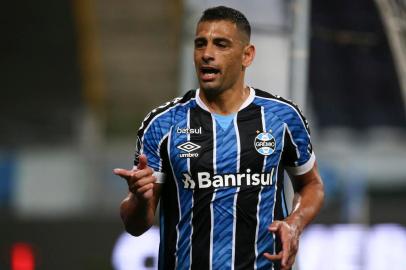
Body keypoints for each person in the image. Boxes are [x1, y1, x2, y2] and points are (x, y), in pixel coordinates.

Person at [114, 6, 324, 270]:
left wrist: (295, 222)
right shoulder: (163, 124)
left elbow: (312, 185)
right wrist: (140, 198)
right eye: (200, 44)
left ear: (247, 55)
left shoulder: (282, 117)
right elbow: (135, 226)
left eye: (220, 45)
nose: (207, 54)